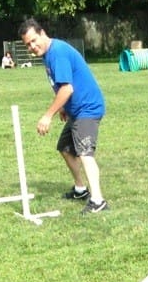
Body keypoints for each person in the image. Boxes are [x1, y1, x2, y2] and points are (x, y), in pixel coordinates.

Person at [18, 18, 107, 214]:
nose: (32, 47)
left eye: (34, 40)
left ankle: (98, 200)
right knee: (66, 148)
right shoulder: (47, 54)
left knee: (85, 152)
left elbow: (67, 89)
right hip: (76, 110)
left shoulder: (57, 52)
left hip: (88, 108)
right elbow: (61, 85)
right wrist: (63, 107)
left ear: (42, 33)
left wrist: (47, 115)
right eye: (28, 45)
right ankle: (80, 190)